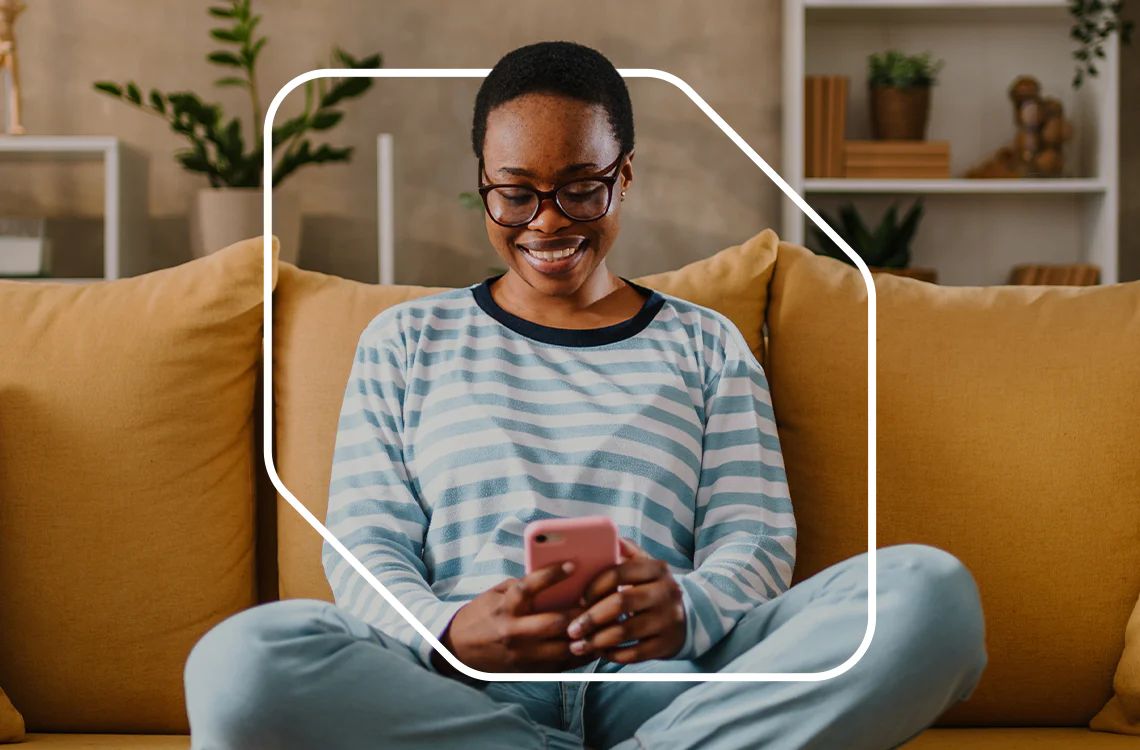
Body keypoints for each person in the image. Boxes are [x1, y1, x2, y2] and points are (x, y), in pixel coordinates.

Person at [183, 41, 986, 750]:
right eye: (516, 192)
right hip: (462, 693)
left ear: (624, 173)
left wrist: (685, 606)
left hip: (669, 682)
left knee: (929, 596)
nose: (547, 222)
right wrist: (452, 633)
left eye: (580, 187)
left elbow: (754, 539)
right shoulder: (404, 342)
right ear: (484, 185)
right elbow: (364, 546)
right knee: (238, 664)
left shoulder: (708, 346)